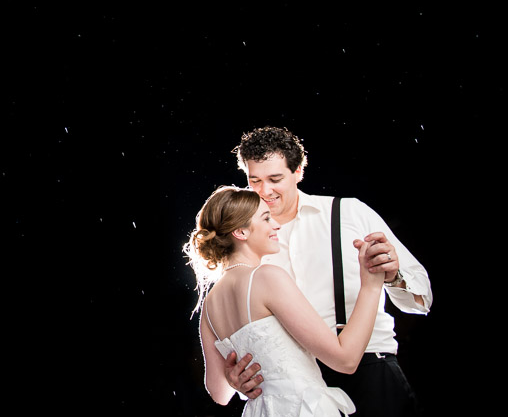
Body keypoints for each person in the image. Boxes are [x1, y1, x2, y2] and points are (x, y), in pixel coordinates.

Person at [224, 126, 431, 416]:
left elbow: (422, 300)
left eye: (275, 179)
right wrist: (232, 378)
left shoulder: (350, 213)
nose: (263, 191)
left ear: (298, 172)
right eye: (254, 180)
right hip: (295, 390)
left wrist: (393, 275)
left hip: (370, 371)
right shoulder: (241, 240)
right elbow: (237, 324)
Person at [185, 186, 384, 416]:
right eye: (266, 218)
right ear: (240, 232)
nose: (276, 225)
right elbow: (346, 360)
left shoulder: (209, 304)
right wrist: (371, 285)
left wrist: (234, 379)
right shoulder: (267, 277)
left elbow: (219, 394)